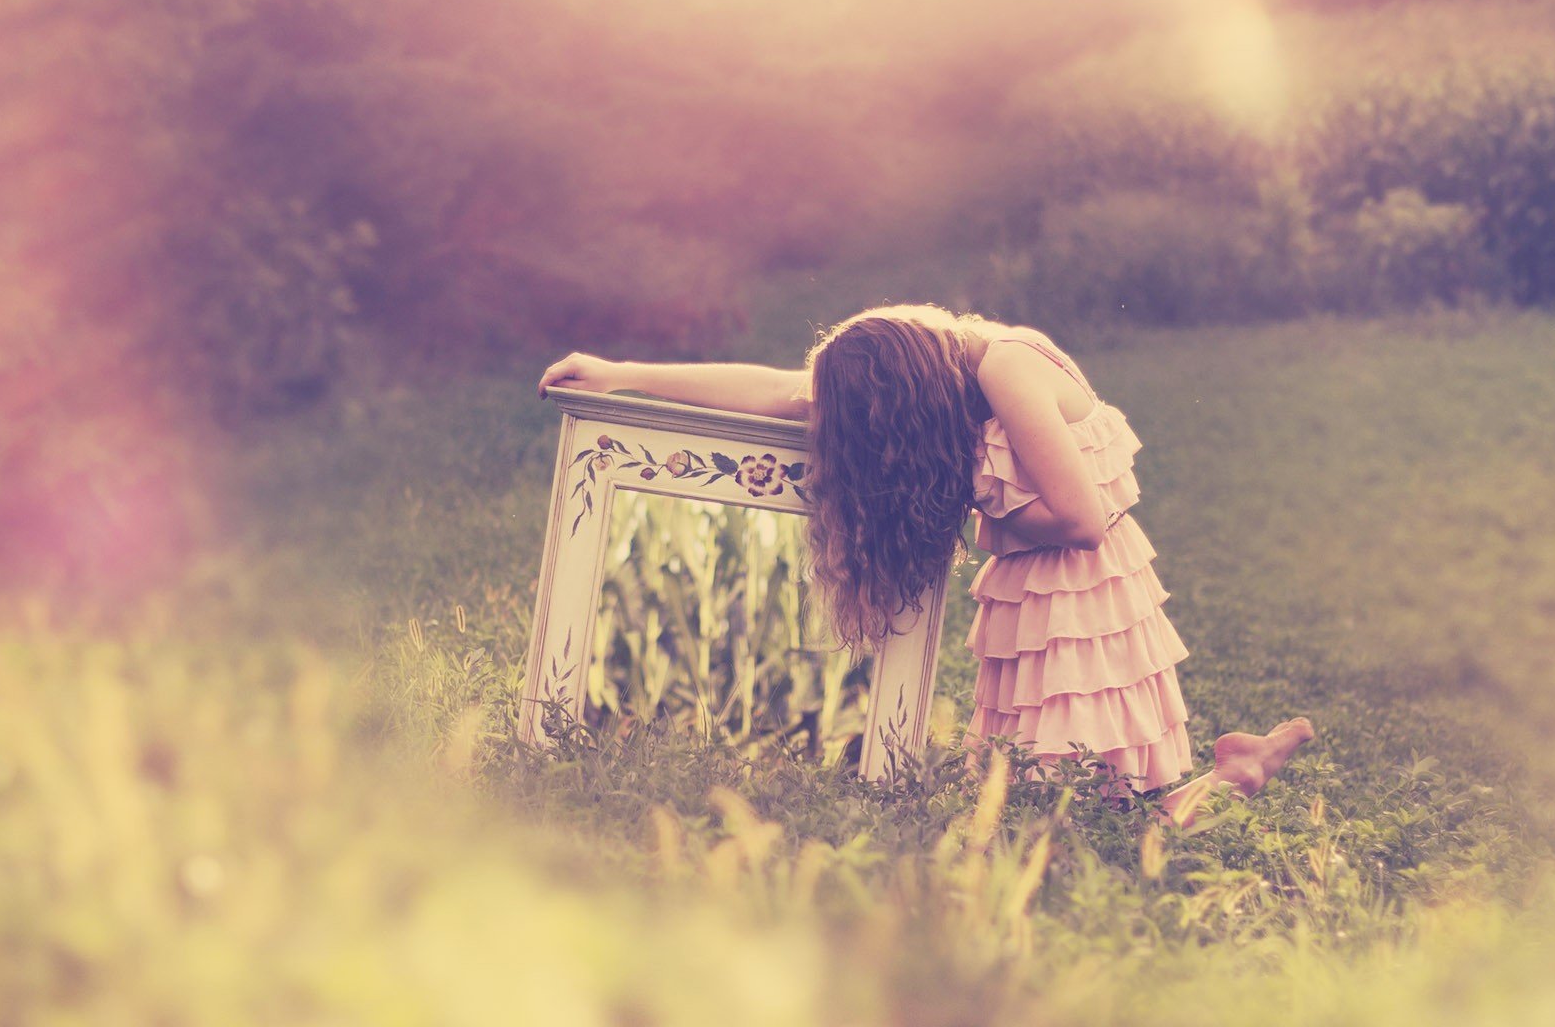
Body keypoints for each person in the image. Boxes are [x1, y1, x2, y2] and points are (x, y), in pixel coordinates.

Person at [537, 304, 1312, 825]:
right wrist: (620, 373)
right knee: (1054, 810)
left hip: (1075, 604)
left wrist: (990, 522)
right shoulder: (934, 356)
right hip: (1035, 600)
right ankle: (1231, 775)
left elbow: (1080, 518)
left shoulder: (1005, 370)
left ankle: (1237, 778)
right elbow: (782, 392)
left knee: (1071, 819)